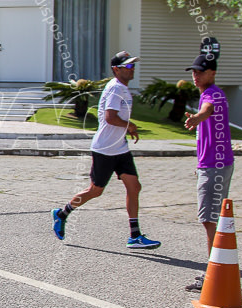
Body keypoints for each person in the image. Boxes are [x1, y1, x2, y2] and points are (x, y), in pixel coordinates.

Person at [51, 51, 161, 249]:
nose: (132, 69)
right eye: (128, 66)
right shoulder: (115, 89)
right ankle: (62, 214)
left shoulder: (123, 89)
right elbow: (110, 117)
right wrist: (130, 125)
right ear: (116, 69)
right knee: (95, 191)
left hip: (120, 149)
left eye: (133, 65)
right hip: (105, 149)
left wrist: (127, 129)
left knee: (134, 187)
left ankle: (134, 236)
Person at [182, 53, 233, 290]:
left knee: (209, 219)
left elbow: (207, 110)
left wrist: (196, 118)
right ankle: (218, 270)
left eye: (200, 72)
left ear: (212, 73)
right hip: (213, 164)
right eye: (193, 72)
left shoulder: (212, 94)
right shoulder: (212, 93)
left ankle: (215, 274)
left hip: (215, 166)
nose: (195, 75)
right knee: (212, 219)